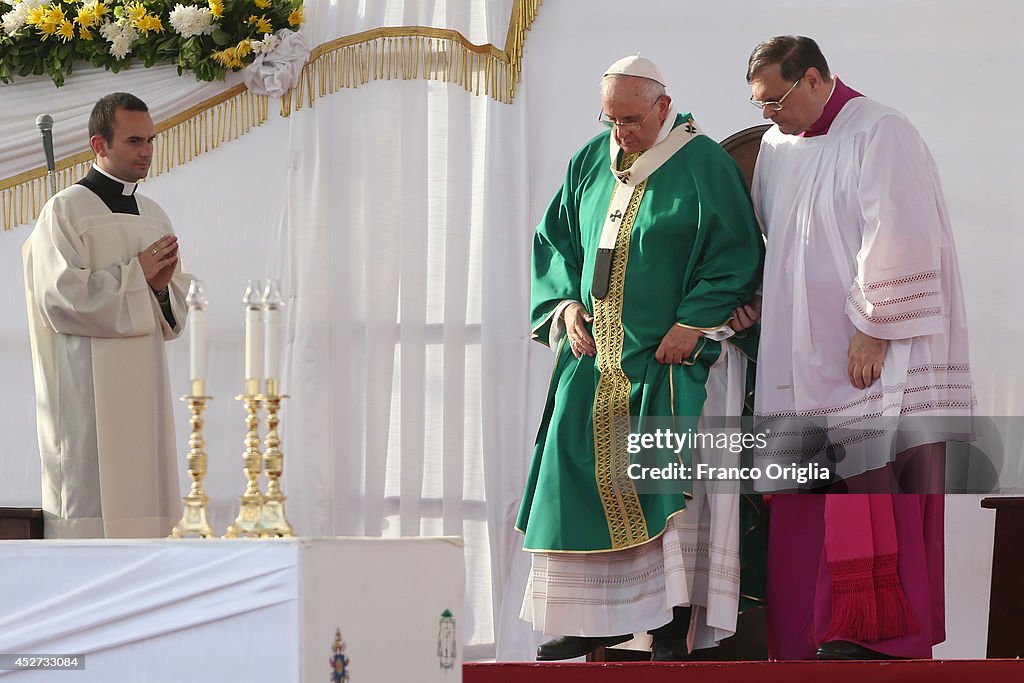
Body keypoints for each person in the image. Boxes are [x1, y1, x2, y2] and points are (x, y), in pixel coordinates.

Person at [515, 54, 764, 662]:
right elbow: (557, 242)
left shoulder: (702, 164)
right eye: (610, 120)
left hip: (667, 363)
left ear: (661, 106)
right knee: (571, 477)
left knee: (663, 483)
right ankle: (592, 618)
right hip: (594, 358)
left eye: (630, 119)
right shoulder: (590, 160)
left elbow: (736, 252)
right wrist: (566, 309)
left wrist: (692, 322)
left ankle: (672, 622)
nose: (619, 133)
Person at [739, 36, 974, 660]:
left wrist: (876, 325)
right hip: (800, 348)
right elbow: (776, 237)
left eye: (777, 99)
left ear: (815, 78)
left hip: (870, 352)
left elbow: (901, 230)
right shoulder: (775, 145)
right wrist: (758, 299)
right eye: (760, 104)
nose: (768, 114)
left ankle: (872, 635)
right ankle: (800, 637)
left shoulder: (881, 131)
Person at [23, 92, 191, 539]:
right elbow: (60, 300)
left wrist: (157, 290)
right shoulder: (65, 210)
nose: (147, 151)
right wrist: (138, 276)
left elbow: (173, 313)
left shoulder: (156, 216)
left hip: (145, 392)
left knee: (146, 498)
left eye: (151, 140)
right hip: (86, 394)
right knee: (93, 504)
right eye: (135, 140)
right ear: (100, 145)